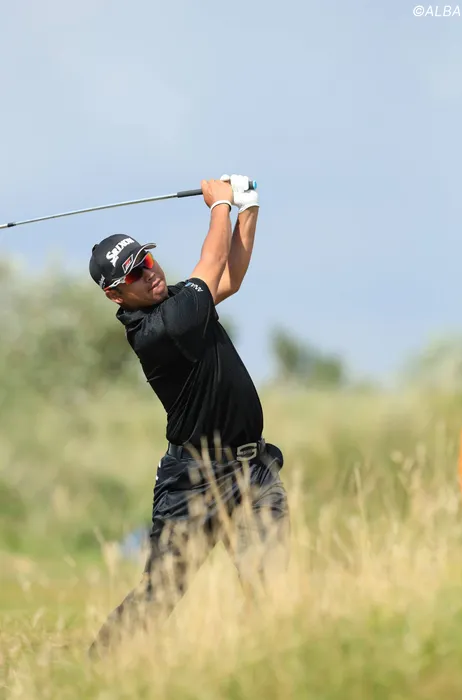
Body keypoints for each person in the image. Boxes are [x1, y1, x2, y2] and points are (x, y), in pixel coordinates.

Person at [87, 175, 289, 653]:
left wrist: (248, 208)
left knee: (270, 588)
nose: (149, 273)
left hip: (254, 468)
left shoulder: (179, 302)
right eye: (134, 274)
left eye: (147, 259)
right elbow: (212, 263)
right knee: (161, 594)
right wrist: (219, 205)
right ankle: (98, 667)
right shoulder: (160, 330)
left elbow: (229, 278)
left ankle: (273, 669)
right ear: (116, 295)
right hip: (195, 479)